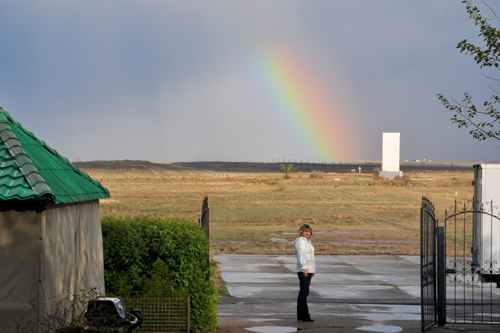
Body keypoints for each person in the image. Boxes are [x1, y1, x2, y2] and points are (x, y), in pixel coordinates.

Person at [294, 224, 316, 322]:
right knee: (304, 292)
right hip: (304, 270)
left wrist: (312, 270)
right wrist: (305, 268)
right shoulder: (300, 241)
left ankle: (302, 316)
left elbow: (311, 257)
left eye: (309, 231)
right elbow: (301, 255)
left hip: (309, 269)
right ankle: (304, 316)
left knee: (304, 292)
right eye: (305, 231)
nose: (307, 233)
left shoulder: (308, 242)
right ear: (301, 232)